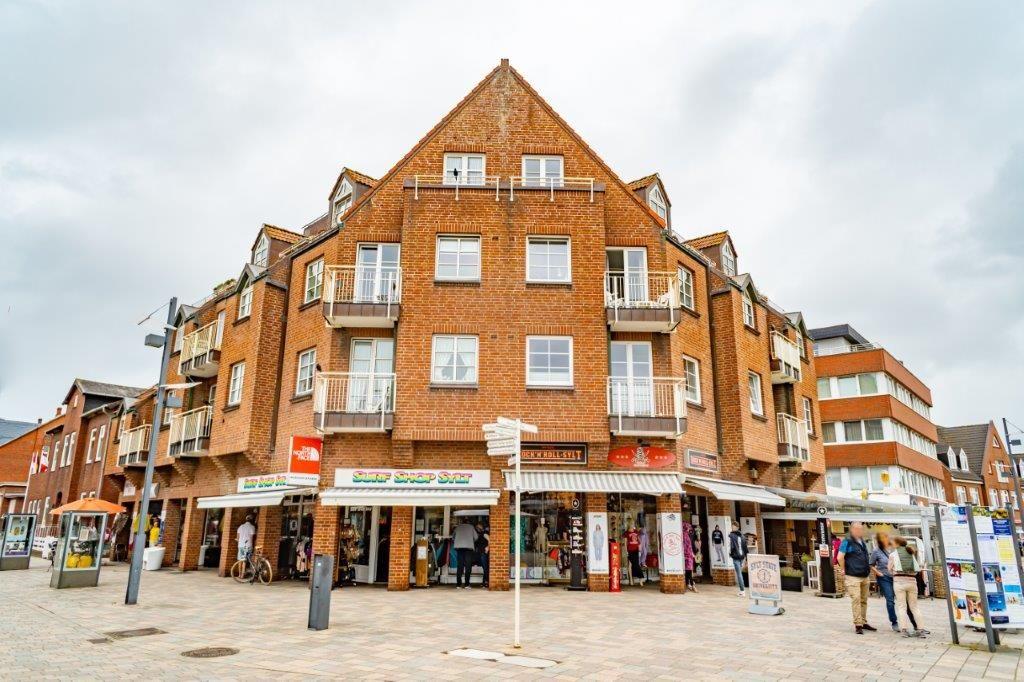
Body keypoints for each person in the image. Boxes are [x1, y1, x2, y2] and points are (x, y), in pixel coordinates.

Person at [871, 532, 919, 633]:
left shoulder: (893, 550)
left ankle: (915, 623)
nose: (887, 539)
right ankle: (894, 622)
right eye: (884, 538)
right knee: (890, 600)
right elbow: (871, 564)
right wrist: (878, 573)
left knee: (905, 601)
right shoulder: (876, 551)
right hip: (884, 578)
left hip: (897, 578)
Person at [838, 522, 877, 634]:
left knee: (864, 600)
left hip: (864, 575)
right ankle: (858, 625)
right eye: (858, 529)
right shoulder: (847, 541)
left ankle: (863, 622)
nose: (860, 531)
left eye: (861, 529)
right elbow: (840, 557)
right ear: (852, 529)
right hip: (853, 576)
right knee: (856, 599)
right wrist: (843, 569)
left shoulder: (862, 541)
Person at [889, 536, 929, 638]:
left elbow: (889, 569)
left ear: (897, 543)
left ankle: (904, 630)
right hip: (912, 582)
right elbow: (916, 569)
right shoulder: (911, 553)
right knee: (914, 607)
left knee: (902, 607)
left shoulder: (893, 555)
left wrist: (893, 571)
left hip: (899, 582)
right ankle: (920, 630)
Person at [452, 518, 478, 589]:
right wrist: (470, 540)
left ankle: (458, 584)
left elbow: (453, 537)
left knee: (460, 566)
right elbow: (476, 537)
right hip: (468, 548)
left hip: (459, 548)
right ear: (468, 522)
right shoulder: (471, 527)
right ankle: (467, 584)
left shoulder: (457, 527)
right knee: (468, 566)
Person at [728, 522, 748, 597]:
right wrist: (745, 558)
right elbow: (745, 548)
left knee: (739, 574)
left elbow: (731, 547)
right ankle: (742, 590)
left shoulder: (732, 535)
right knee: (740, 573)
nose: (732, 527)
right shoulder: (742, 536)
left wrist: (730, 554)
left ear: (735, 527)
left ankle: (742, 591)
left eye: (732, 526)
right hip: (742, 557)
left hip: (736, 557)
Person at [474, 523, 490, 588]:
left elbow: (490, 540)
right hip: (481, 553)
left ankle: (486, 582)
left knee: (485, 568)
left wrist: (488, 547)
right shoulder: (481, 534)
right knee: (485, 568)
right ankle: (484, 582)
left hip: (484, 553)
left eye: (478, 527)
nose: (477, 528)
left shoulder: (484, 533)